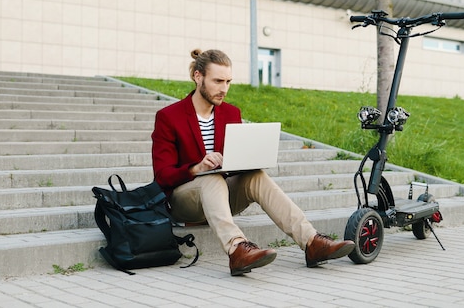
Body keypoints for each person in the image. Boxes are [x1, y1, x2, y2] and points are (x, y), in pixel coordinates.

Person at [151, 48, 355, 276]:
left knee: (255, 176)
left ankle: (311, 242)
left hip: (219, 196)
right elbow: (162, 176)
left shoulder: (230, 113)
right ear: (198, 77)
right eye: (217, 81)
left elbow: (233, 164)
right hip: (182, 202)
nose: (224, 89)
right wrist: (198, 168)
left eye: (228, 81)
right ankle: (237, 249)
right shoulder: (169, 116)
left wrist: (247, 160)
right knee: (212, 180)